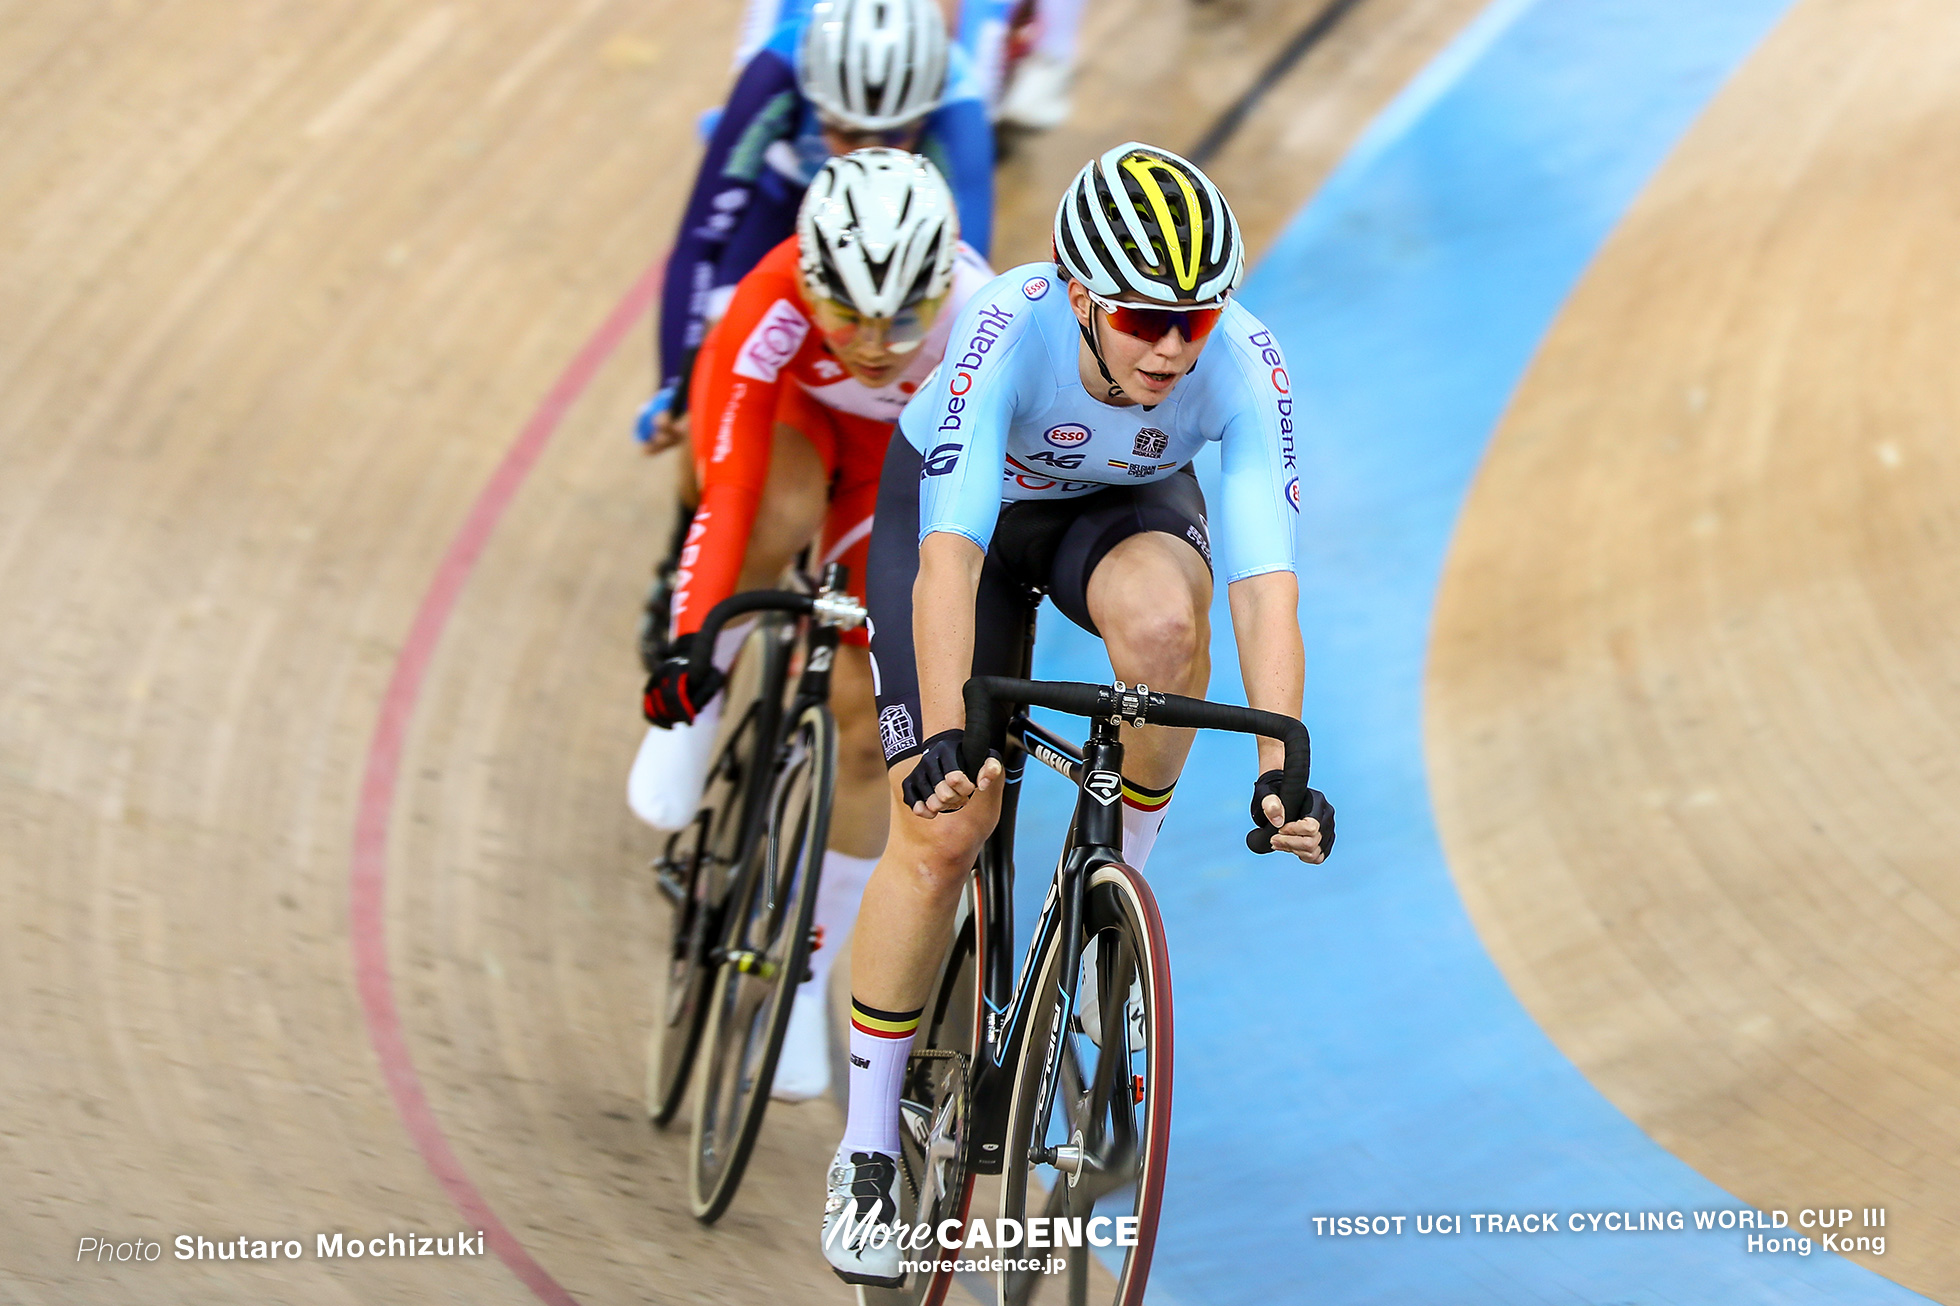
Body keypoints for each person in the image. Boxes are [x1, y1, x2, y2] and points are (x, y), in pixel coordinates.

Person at [818, 142, 1335, 1285]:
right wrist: (947, 739)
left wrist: (1279, 759)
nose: (1168, 347)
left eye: (1191, 323)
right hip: (966, 525)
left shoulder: (1241, 362)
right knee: (946, 826)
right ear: (1081, 297)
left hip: (1115, 512)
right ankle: (863, 1149)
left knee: (1162, 633)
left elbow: (1263, 583)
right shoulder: (1011, 325)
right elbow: (948, 561)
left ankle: (1118, 883)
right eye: (1145, 318)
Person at [636, 149, 993, 1102]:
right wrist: (689, 650)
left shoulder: (982, 322)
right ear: (808, 281)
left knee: (871, 724)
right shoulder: (774, 300)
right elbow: (738, 486)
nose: (875, 343)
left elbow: (964, 515)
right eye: (849, 315)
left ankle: (804, 976)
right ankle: (697, 719)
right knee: (772, 518)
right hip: (789, 423)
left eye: (902, 318)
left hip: (896, 463)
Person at [640, 0, 994, 458]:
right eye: (845, 132)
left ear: (927, 113)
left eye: (895, 135)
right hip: (783, 193)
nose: (864, 153)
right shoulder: (779, 66)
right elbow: (702, 239)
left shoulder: (958, 97)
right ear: (815, 99)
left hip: (896, 218)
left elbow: (967, 278)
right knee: (717, 347)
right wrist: (675, 384)